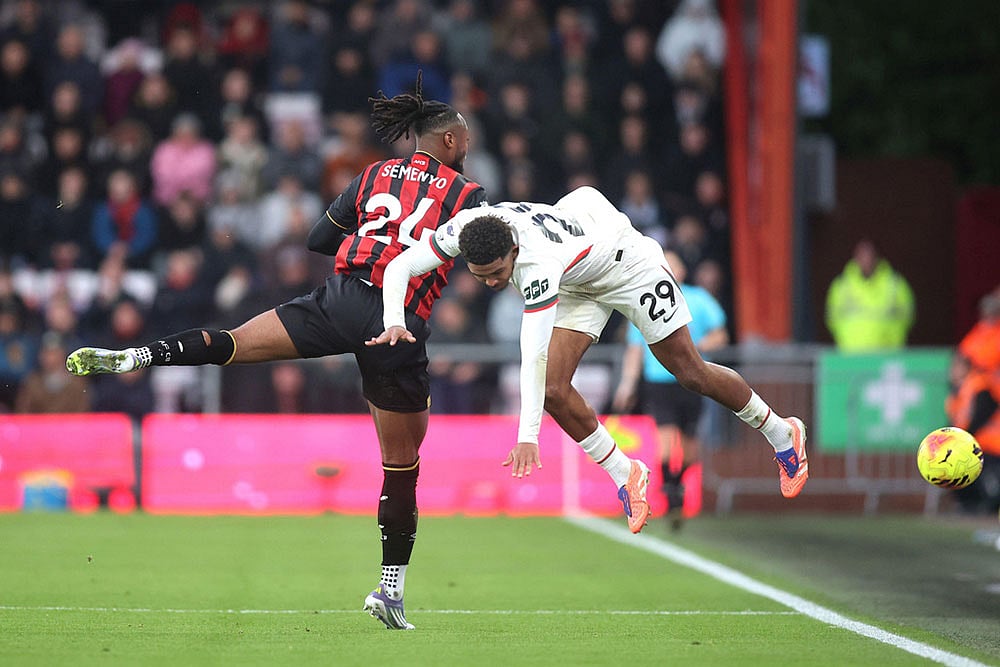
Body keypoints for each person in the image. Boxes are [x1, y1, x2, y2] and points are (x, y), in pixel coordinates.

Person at [65, 75, 486, 631]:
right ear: (451, 142)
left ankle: (137, 356)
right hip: (396, 325)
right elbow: (485, 258)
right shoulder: (469, 194)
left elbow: (317, 239)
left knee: (234, 343)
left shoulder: (373, 174)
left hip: (338, 299)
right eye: (466, 139)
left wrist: (370, 244)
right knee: (402, 464)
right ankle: (390, 590)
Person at [371, 186, 808, 529]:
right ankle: (626, 473)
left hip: (627, 265)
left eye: (498, 273)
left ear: (515, 254)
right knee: (554, 390)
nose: (490, 283)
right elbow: (399, 267)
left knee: (689, 371)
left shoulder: (537, 265)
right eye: (481, 275)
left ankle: (781, 431)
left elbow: (532, 352)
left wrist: (528, 434)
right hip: (581, 267)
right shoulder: (465, 229)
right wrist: (393, 318)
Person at [612, 250, 727, 530]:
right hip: (659, 380)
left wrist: (697, 349)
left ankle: (675, 486)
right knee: (664, 441)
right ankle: (672, 496)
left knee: (691, 449)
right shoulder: (643, 299)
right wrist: (627, 383)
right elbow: (635, 348)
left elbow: (720, 334)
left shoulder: (698, 300)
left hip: (692, 379)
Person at [825, 239, 915, 352]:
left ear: (876, 257)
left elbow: (908, 316)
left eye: (869, 255)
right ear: (855, 258)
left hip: (887, 354)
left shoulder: (895, 284)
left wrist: (892, 338)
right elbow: (832, 319)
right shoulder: (842, 286)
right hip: (852, 356)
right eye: (862, 256)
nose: (866, 260)